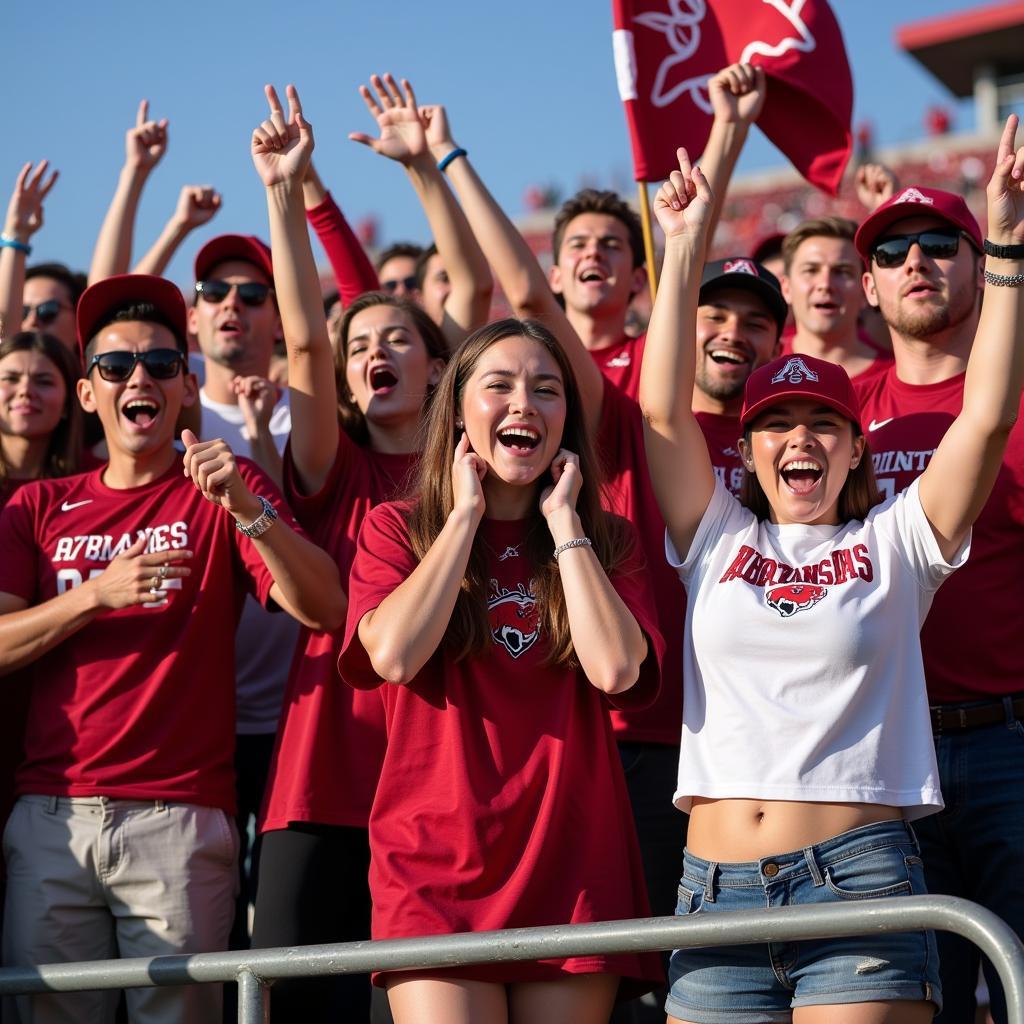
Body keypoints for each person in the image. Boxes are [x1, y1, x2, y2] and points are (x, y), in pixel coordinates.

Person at [640, 119, 1024, 1023]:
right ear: (747, 450)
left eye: (823, 423)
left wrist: (1004, 245)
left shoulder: (901, 539)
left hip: (861, 889)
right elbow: (660, 412)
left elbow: (986, 419)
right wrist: (684, 241)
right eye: (776, 424)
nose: (799, 438)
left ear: (858, 449)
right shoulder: (716, 534)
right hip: (714, 893)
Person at [0, 272, 343, 1024]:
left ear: (188, 388)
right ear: (88, 395)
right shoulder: (37, 506)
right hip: (51, 817)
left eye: (160, 365)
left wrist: (248, 508)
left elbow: (326, 608)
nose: (139, 378)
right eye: (115, 367)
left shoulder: (226, 486)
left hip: (179, 820)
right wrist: (95, 594)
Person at [339, 316, 664, 1024]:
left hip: (571, 863)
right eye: (500, 386)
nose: (525, 405)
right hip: (434, 868)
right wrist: (462, 520)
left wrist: (565, 525)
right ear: (457, 411)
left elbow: (613, 669)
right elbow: (391, 655)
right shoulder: (396, 528)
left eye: (547, 390)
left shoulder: (607, 539)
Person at [248, 83, 447, 1021]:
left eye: (399, 338)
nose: (374, 351)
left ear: (442, 367)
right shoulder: (331, 468)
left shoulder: (483, 485)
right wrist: (290, 198)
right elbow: (301, 339)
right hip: (321, 781)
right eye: (358, 342)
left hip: (441, 790)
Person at [853, 151, 1024, 1023]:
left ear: (981, 262)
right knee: (923, 1005)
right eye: (891, 252)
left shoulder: (1019, 400)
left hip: (1008, 743)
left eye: (937, 244)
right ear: (869, 291)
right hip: (881, 761)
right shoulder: (832, 418)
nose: (914, 262)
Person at [0, 329, 83, 926]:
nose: (25, 390)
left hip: (54, 732)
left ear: (74, 395)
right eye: (10, 377)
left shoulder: (94, 486)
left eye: (43, 379)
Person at [350, 74, 493, 349]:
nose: (404, 294)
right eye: (390, 287)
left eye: (413, 282)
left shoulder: (440, 369)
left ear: (436, 369)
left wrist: (420, 164)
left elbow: (474, 286)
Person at [779, 217, 890, 382]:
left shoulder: (896, 378)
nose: (825, 284)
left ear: (865, 289)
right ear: (786, 288)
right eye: (811, 270)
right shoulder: (759, 368)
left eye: (842, 271)